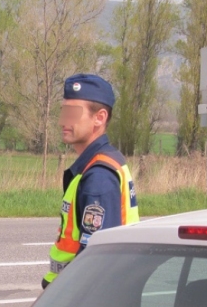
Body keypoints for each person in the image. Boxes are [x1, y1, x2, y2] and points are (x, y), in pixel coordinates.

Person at [42, 74, 139, 289]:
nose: (63, 121)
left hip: (79, 298)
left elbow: (97, 260)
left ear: (100, 118)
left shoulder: (99, 177)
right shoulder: (98, 163)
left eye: (73, 113)